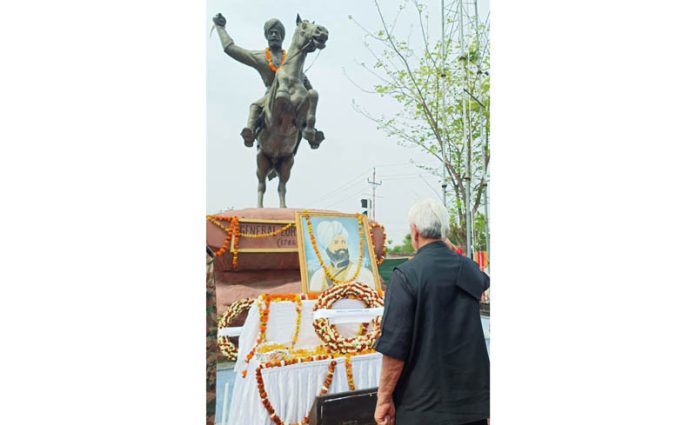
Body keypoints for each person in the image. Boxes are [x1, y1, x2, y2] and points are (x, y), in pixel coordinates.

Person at [374, 199, 490, 425]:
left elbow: (395, 347)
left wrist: (383, 398)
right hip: (470, 406)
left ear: (414, 231)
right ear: (443, 233)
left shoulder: (407, 275)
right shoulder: (467, 268)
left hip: (422, 408)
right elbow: (482, 281)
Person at [212, 13, 321, 147]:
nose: (274, 35)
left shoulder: (292, 59)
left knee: (307, 100)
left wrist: (310, 96)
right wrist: (220, 27)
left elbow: (304, 80)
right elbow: (231, 49)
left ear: (282, 36)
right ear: (267, 36)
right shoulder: (260, 57)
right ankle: (250, 132)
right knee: (255, 106)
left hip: (294, 92)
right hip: (271, 94)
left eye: (277, 32)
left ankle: (311, 134)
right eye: (271, 32)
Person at [309, 220, 375, 292]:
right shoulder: (318, 276)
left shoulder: (363, 273)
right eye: (336, 242)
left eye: (343, 242)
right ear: (327, 247)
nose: (341, 246)